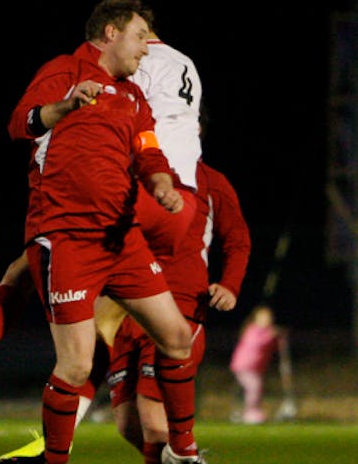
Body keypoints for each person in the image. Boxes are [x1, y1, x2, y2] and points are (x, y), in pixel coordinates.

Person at [3, 0, 197, 464]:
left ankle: (184, 453)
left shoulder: (134, 96)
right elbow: (21, 123)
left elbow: (148, 151)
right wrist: (65, 106)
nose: (145, 48)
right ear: (111, 33)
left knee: (177, 338)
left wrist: (161, 184)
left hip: (121, 239)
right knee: (75, 365)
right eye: (139, 36)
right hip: (68, 236)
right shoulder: (64, 70)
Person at [108, 157, 251, 464]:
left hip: (178, 303)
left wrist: (230, 286)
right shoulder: (130, 174)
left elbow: (238, 239)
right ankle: (188, 459)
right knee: (128, 424)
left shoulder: (210, 181)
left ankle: (185, 454)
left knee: (153, 421)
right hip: (125, 309)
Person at [228, 304, 290, 424]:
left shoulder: (267, 332)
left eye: (268, 318)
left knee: (257, 388)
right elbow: (258, 343)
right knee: (254, 387)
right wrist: (272, 335)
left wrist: (280, 339)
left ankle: (253, 411)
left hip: (256, 368)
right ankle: (250, 412)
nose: (266, 320)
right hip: (244, 366)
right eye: (263, 318)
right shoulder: (252, 330)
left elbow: (272, 346)